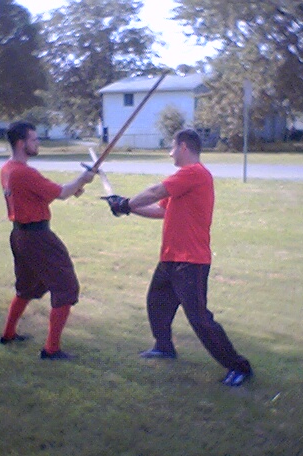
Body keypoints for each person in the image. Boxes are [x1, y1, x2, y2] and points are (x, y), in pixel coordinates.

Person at [103, 129, 253, 386]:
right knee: (156, 302)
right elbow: (159, 210)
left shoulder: (194, 173)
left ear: (183, 147)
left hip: (191, 261)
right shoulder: (184, 180)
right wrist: (126, 208)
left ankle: (239, 367)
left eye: (171, 147)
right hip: (171, 257)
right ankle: (164, 347)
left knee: (199, 319)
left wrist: (126, 204)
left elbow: (154, 191)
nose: (169, 152)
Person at [0, 121, 95, 360]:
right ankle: (51, 350)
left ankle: (8, 334)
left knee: (27, 286)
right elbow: (61, 192)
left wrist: (76, 186)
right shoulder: (24, 172)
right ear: (22, 143)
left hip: (20, 235)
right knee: (66, 287)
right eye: (34, 139)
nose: (38, 143)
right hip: (37, 237)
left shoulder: (8, 169)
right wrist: (82, 179)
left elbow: (41, 197)